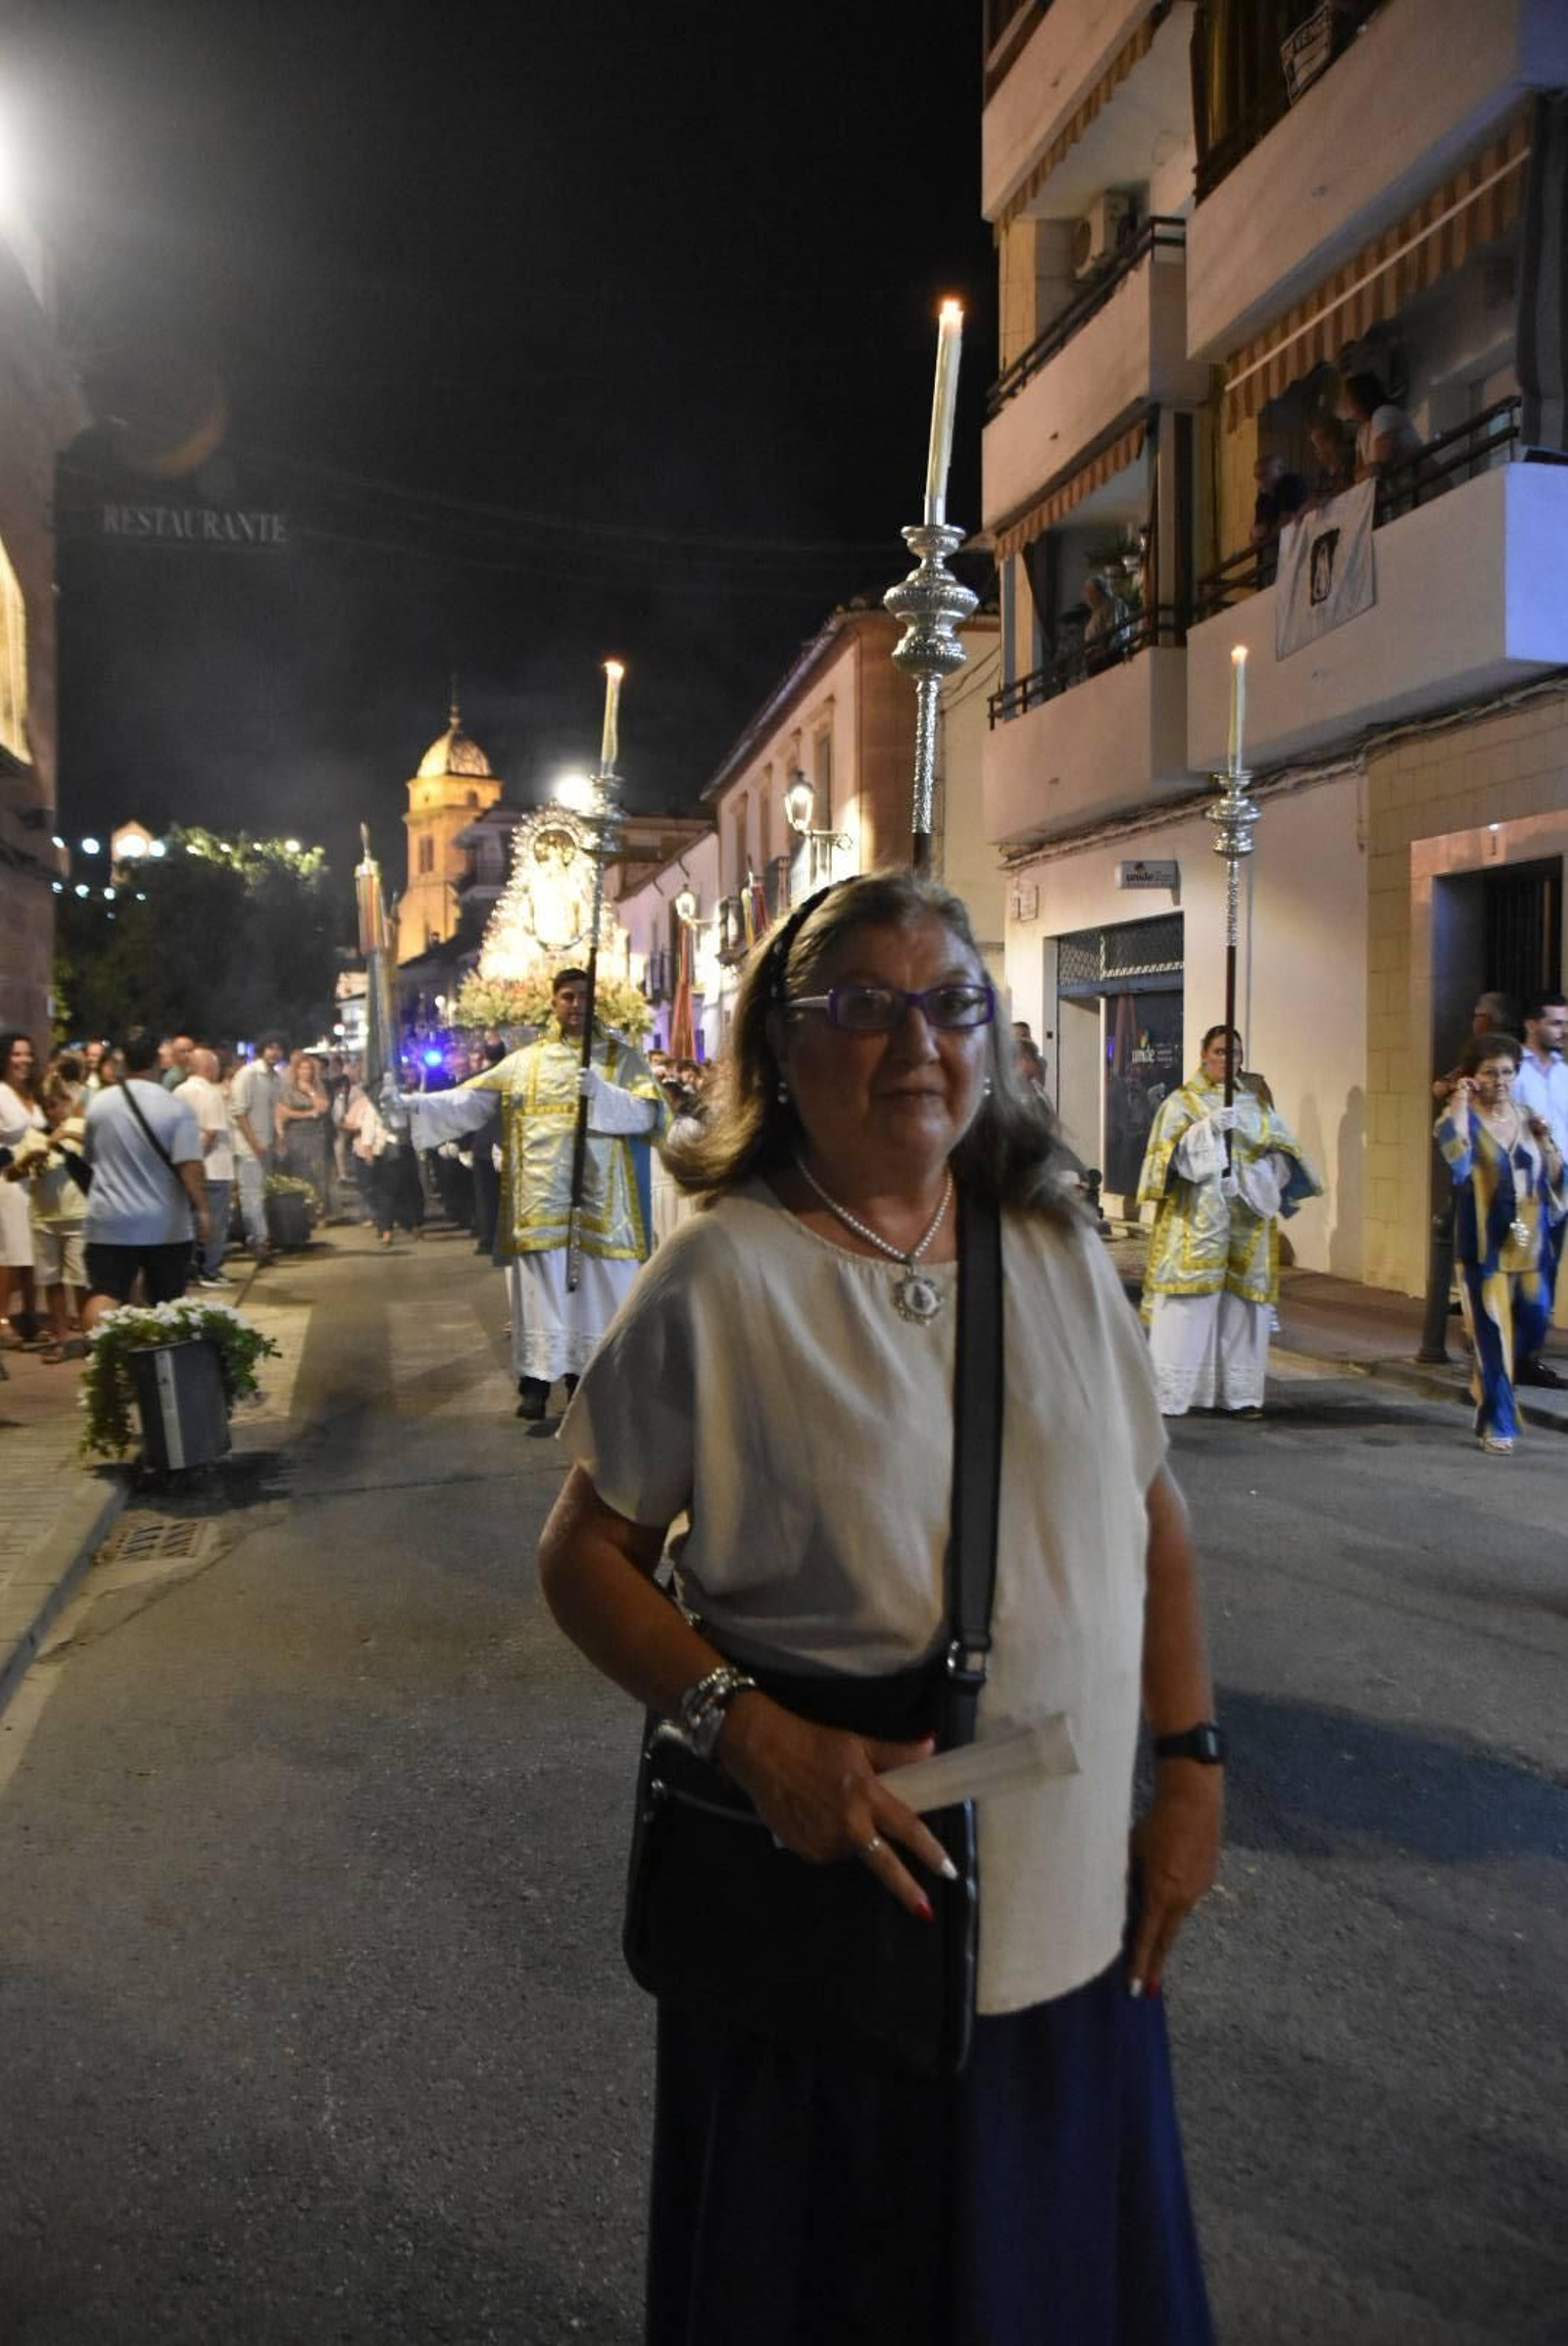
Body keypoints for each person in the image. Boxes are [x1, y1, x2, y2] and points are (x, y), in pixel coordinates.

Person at [537, 873, 1220, 2346]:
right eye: (863, 1004)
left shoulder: (1054, 1248)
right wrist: (748, 1732)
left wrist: (1192, 1768)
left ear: (994, 1039)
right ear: (783, 1047)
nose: (917, 1038)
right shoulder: (720, 1273)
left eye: (951, 1001)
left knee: (1053, 2281)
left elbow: (1152, 1514)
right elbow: (581, 1552)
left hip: (1065, 1908)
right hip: (841, 1912)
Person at [402, 968, 666, 1419]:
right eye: (567, 996)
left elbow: (652, 1115)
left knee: (592, 1298)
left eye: (584, 996)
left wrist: (604, 1096)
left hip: (600, 1206)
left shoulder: (624, 1060)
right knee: (542, 1299)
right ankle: (535, 1386)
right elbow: (472, 1100)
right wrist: (412, 1107)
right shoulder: (526, 1062)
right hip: (539, 1203)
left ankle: (586, 1382)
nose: (576, 1005)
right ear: (554, 1002)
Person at [1137, 1026, 1322, 1418]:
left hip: (1247, 1217)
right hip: (1196, 1219)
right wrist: (1202, 1135)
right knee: (1191, 1304)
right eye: (1220, 1052)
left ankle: (1240, 1395)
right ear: (1204, 1055)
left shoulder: (1255, 1104)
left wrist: (1261, 1177)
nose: (1228, 1059)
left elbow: (1285, 1151)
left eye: (1235, 1053)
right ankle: (1175, 1392)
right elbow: (1161, 1161)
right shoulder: (1180, 1103)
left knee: (1242, 1309)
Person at [1436, 1032, 1567, 1453]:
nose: (1501, 1080)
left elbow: (1553, 1176)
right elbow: (1456, 1159)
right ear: (1473, 1077)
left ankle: (1490, 1386)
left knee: (1532, 1319)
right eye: (1490, 1072)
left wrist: (1546, 1140)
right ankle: (1498, 1420)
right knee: (1493, 1334)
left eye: (1508, 1071)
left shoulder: (1527, 1115)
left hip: (1530, 1238)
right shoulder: (1460, 1119)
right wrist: (1458, 1098)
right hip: (1483, 1244)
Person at [80, 1031, 208, 1327]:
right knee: (168, 1300)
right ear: (156, 1061)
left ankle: (101, 1362)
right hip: (165, 1223)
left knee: (105, 1293)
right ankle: (165, 1367)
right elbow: (190, 1167)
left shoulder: (99, 1104)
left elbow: (90, 1156)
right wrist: (202, 1210)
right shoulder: (175, 1106)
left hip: (109, 1220)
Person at [2, 1060, 89, 1359]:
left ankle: (90, 1336)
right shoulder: (33, 1135)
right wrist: (28, 1160)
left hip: (78, 1216)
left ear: (67, 1102)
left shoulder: (78, 1126)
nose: (52, 1111)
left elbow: (96, 1146)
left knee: (80, 1281)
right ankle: (60, 1337)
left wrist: (64, 1137)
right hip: (44, 1218)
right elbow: (11, 1174)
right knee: (51, 1282)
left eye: (56, 1104)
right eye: (46, 1106)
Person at [1511, 993, 1568, 1387]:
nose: (1563, 1031)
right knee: (1524, 1267)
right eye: (1555, 1023)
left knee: (1548, 1268)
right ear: (1532, 1024)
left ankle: (1528, 1355)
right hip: (1525, 1184)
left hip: (1561, 1180)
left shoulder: (1564, 1071)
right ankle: (1512, 1354)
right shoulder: (1512, 1069)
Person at [0, 1031, 45, 1348]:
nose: (24, 1060)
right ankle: (2, 1319)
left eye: (27, 1054)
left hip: (37, 1181)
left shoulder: (32, 1093)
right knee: (9, 1251)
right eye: (16, 1054)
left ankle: (30, 1313)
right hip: (9, 1180)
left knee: (33, 1251)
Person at [180, 1048, 236, 1286]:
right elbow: (211, 1132)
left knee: (191, 1221)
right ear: (208, 1068)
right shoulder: (210, 1093)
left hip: (186, 1168)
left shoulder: (178, 1091)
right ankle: (210, 1269)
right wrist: (198, 1157)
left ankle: (192, 1267)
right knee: (214, 1221)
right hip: (213, 1167)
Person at [230, 1035, 285, 1263]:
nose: (274, 1052)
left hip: (266, 1144)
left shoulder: (274, 1077)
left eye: (278, 1048)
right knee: (251, 1195)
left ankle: (260, 1239)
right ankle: (259, 1242)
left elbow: (274, 1111)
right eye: (270, 1048)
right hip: (248, 1147)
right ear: (262, 1050)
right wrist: (254, 1143)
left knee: (259, 1194)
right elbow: (239, 1112)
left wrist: (277, 1137)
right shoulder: (249, 1074)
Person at [277, 1048, 333, 1216]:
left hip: (316, 1134)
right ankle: (303, 1211)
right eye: (302, 1068)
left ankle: (319, 1210)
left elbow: (324, 1107)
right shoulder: (288, 1087)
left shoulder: (317, 1086)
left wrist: (310, 1091)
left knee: (318, 1172)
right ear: (296, 1070)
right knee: (300, 1172)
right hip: (295, 1133)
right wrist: (308, 1113)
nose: (306, 1072)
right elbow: (283, 1111)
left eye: (309, 1068)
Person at [1343, 370, 1423, 482]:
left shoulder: (1383, 413)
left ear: (1361, 398)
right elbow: (1357, 475)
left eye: (1348, 401)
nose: (1346, 407)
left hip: (1423, 484)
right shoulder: (1362, 432)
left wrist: (1367, 472)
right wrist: (1365, 473)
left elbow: (1380, 464)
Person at [1250, 453, 1307, 545]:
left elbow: (1287, 523)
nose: (1259, 480)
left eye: (1264, 475)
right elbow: (1254, 535)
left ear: (1280, 470)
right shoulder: (1262, 497)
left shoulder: (1291, 483)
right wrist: (1256, 533)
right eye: (1256, 477)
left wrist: (1265, 532)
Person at [1305, 414, 1354, 505]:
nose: (1317, 450)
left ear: (1332, 440)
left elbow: (1352, 488)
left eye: (1320, 443)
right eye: (1315, 445)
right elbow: (1316, 495)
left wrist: (1329, 496)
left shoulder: (1350, 458)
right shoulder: (1323, 471)